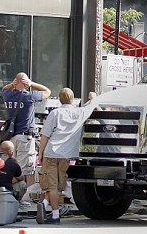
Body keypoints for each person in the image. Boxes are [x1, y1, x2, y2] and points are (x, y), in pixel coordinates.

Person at [36, 88, 96, 225]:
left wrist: (40, 152)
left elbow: (45, 135)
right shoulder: (80, 112)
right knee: (57, 186)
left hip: (51, 153)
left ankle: (55, 215)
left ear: (59, 99)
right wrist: (92, 96)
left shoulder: (55, 113)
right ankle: (44, 205)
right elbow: (92, 103)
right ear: (73, 98)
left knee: (51, 186)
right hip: (66, 156)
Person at [1, 73, 50, 190]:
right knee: (26, 170)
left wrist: (12, 84)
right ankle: (27, 196)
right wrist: (32, 83)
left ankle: (11, 192)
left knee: (11, 167)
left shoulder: (7, 95)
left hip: (11, 137)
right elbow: (47, 92)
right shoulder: (29, 96)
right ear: (25, 83)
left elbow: (4, 88)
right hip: (25, 137)